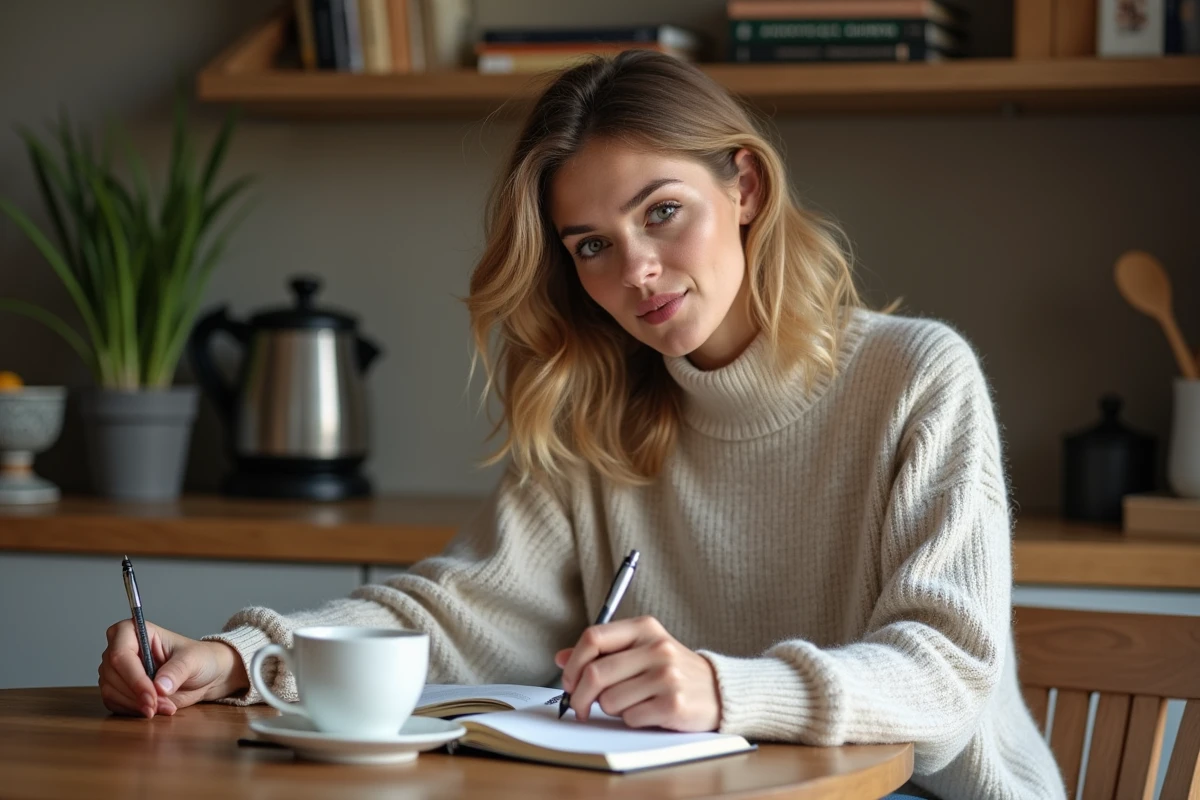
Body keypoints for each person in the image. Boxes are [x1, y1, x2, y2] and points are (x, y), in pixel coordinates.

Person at [98, 51, 1065, 799]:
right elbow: (455, 613)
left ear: (747, 189)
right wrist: (238, 660)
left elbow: (948, 674)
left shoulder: (914, 375)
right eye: (593, 246)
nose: (635, 270)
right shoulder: (601, 414)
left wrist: (725, 692)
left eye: (664, 212)